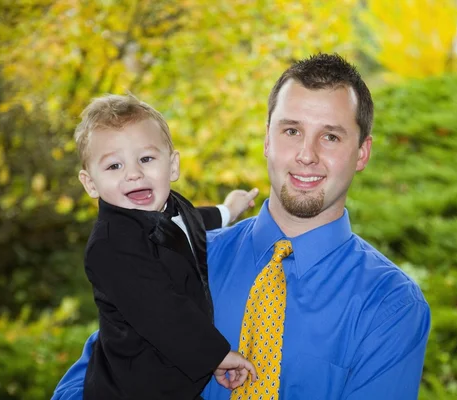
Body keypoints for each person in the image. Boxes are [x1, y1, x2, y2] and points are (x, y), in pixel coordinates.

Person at [53, 53, 431, 400]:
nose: (306, 155)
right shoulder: (175, 252)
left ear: (362, 152)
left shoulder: (391, 305)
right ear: (267, 139)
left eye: (330, 136)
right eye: (291, 131)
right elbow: (87, 382)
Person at [70, 94, 258, 400]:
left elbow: (192, 221)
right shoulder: (110, 246)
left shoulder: (171, 204)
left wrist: (227, 211)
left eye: (146, 159)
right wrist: (217, 355)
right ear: (90, 183)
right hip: (135, 385)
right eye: (114, 165)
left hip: (175, 374)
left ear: (172, 166)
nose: (133, 173)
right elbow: (162, 311)